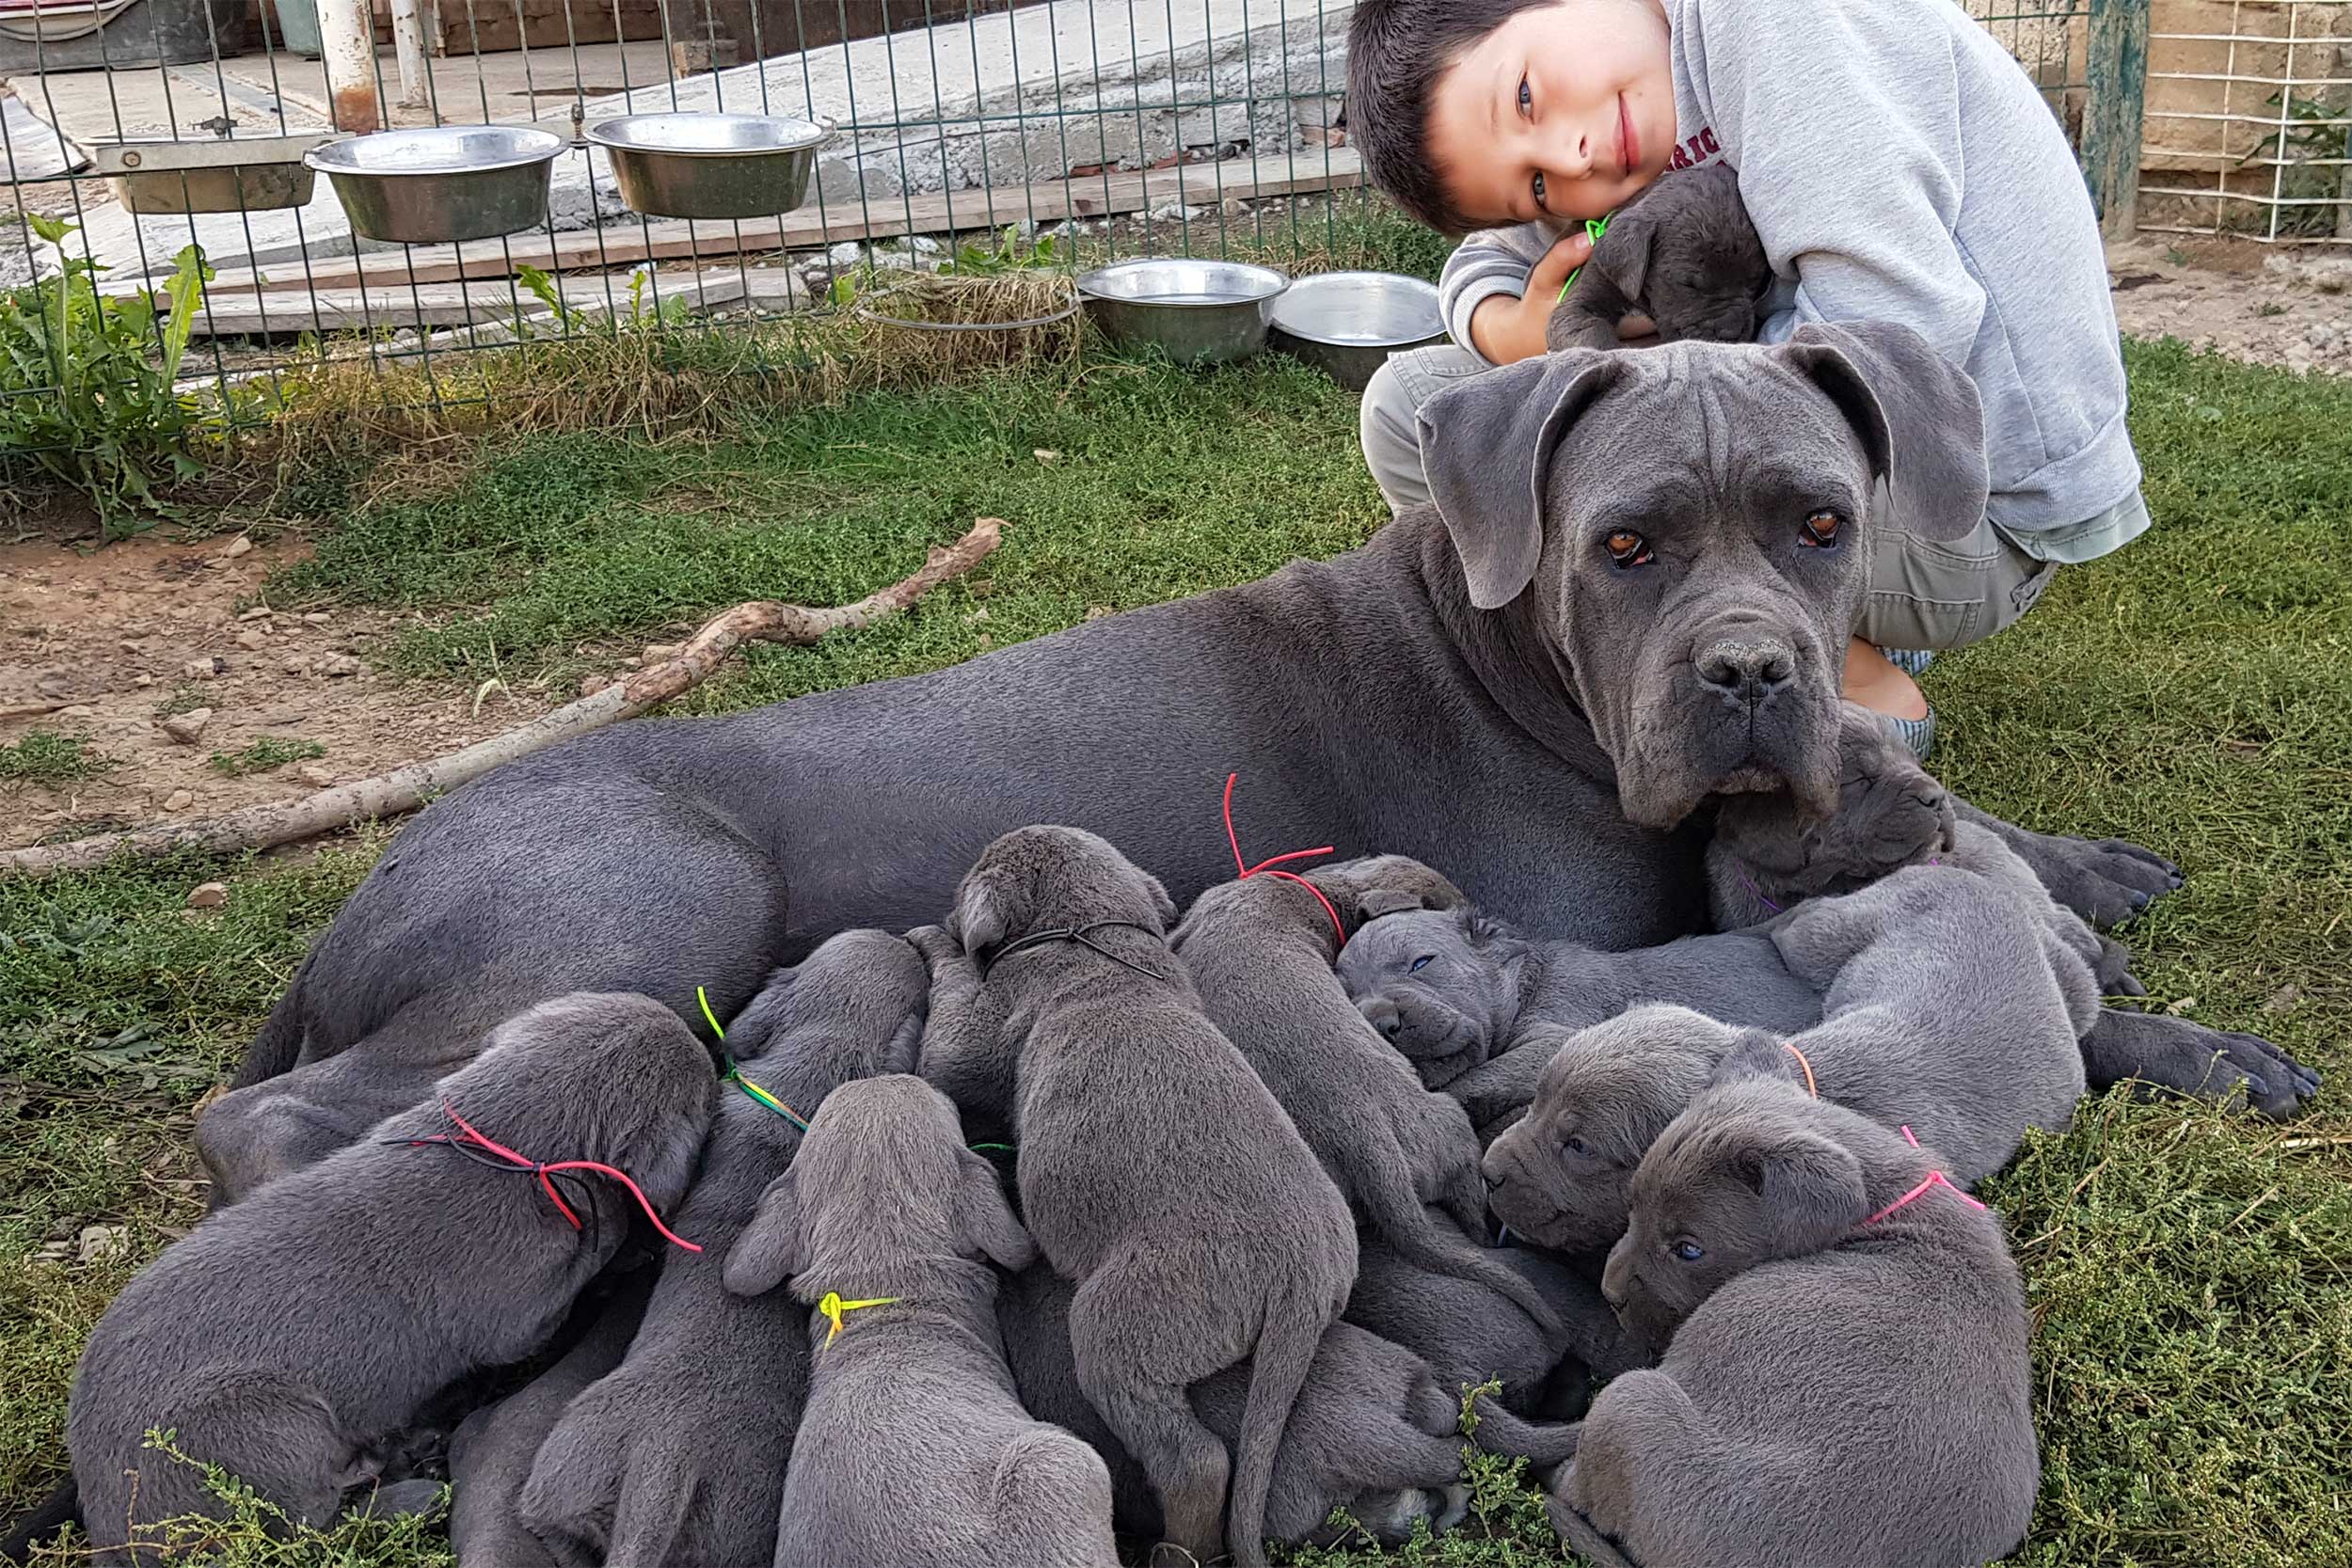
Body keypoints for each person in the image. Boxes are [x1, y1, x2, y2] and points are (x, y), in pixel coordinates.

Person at [1344, 0, 2150, 756]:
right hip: (1834, 492)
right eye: (1538, 187)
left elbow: (1897, 324)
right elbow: (1493, 256)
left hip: (1970, 513)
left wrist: (1628, 392)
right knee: (1415, 406)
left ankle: (1850, 691)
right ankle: (1655, 660)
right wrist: (1509, 329)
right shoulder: (1624, 100)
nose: (1569, 154)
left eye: (1524, 97)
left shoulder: (1773, 22)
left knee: (1617, 475)